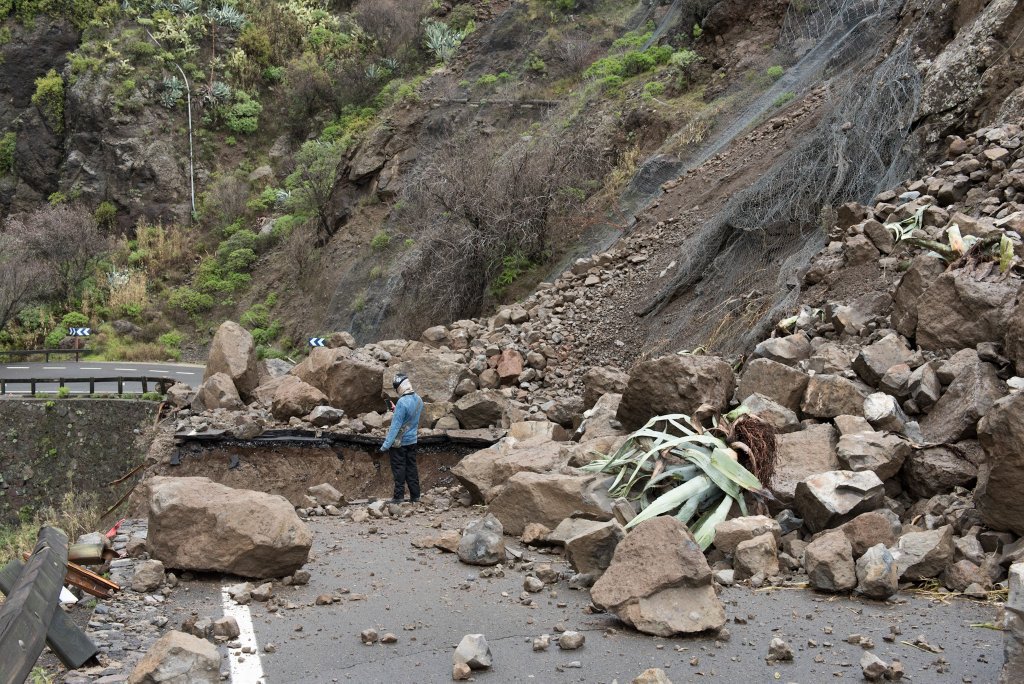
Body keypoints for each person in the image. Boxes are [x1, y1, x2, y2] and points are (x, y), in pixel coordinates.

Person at [380, 373, 424, 503]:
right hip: (412, 441)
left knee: (399, 470)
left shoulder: (401, 402)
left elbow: (395, 427)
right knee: (412, 468)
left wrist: (385, 445)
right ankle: (415, 496)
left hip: (399, 443)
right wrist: (396, 410)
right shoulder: (419, 399)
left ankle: (398, 497)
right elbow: (410, 418)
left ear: (399, 387)